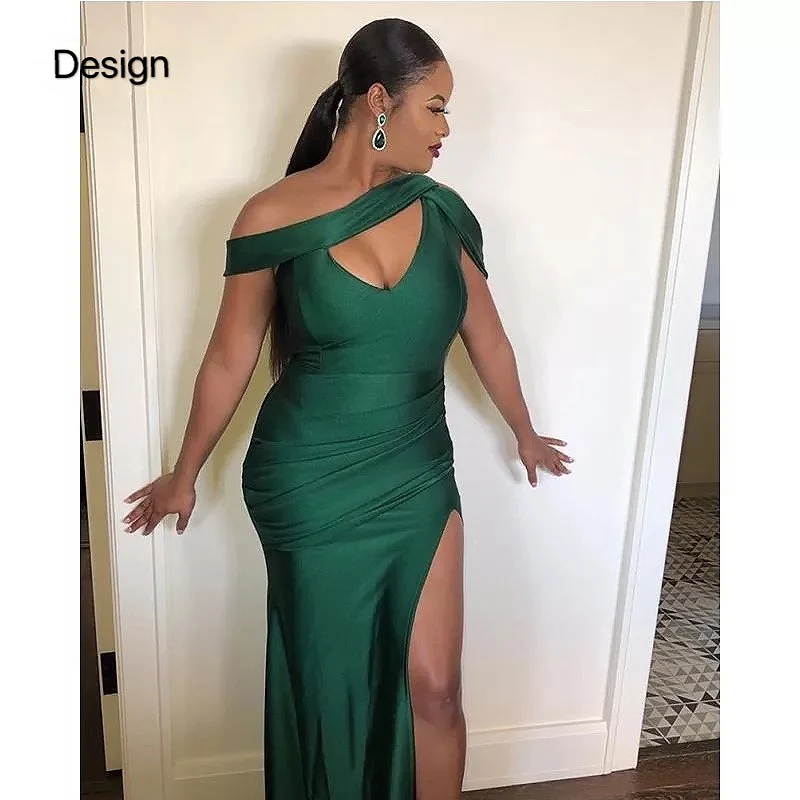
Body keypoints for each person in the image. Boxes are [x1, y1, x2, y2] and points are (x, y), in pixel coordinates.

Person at [122, 17, 573, 800]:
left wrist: (524, 431)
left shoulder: (442, 213)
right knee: (330, 696)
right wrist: (184, 474)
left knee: (435, 687)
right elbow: (230, 355)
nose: (447, 130)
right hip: (307, 480)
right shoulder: (271, 214)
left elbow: (490, 339)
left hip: (417, 472)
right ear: (379, 102)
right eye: (436, 107)